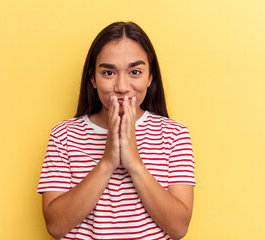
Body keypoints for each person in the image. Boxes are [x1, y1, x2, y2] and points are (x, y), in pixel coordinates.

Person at [37, 21, 196, 240]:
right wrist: (107, 161)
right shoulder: (63, 135)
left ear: (150, 77)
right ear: (93, 78)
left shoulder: (174, 134)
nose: (121, 86)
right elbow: (55, 226)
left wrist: (134, 163)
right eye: (109, 72)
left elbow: (179, 229)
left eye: (135, 72)